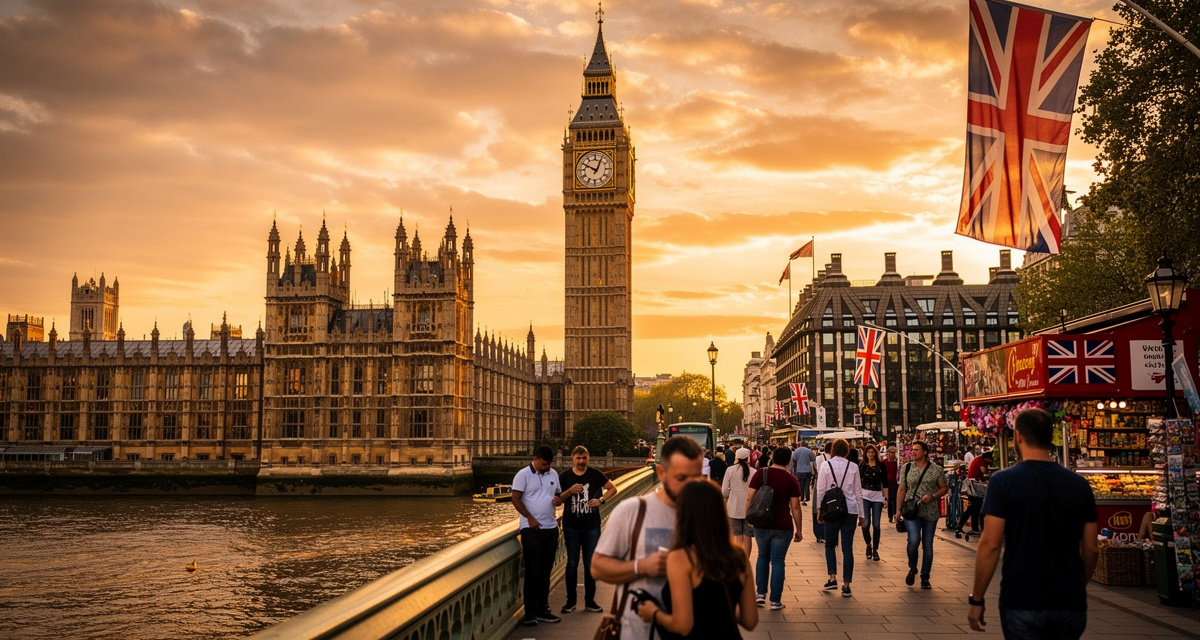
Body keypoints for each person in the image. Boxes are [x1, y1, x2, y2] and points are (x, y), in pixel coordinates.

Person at [968, 408, 1099, 639]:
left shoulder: (1003, 482)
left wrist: (977, 599)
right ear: (1051, 437)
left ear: (1017, 435)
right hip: (1069, 600)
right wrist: (1078, 584)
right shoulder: (1079, 485)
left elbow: (990, 544)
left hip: (1022, 597)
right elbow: (1090, 548)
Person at [592, 436, 705, 640]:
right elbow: (597, 567)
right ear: (661, 473)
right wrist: (641, 567)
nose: (690, 487)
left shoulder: (706, 515)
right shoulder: (632, 511)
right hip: (637, 631)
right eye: (681, 479)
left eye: (696, 478)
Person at [635, 480, 759, 639]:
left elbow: (682, 626)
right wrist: (719, 606)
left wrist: (653, 613)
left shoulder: (681, 557)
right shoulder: (739, 556)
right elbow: (750, 621)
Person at [558, 445, 618, 614]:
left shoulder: (594, 474)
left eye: (584, 458)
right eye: (578, 458)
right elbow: (558, 500)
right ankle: (570, 602)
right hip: (571, 526)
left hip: (591, 526)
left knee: (590, 563)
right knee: (571, 564)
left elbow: (612, 488)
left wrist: (601, 500)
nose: (581, 461)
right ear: (572, 458)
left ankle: (590, 601)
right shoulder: (565, 476)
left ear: (588, 458)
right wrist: (569, 491)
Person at [745, 446, 803, 609]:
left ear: (773, 457)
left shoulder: (760, 474)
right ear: (789, 460)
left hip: (762, 524)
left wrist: (749, 518)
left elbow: (750, 497)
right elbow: (796, 507)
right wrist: (799, 529)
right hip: (783, 526)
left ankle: (760, 594)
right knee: (778, 561)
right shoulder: (791, 479)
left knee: (762, 556)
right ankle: (775, 601)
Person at [511, 445, 562, 626]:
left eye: (549, 464)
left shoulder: (553, 474)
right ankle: (530, 613)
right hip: (531, 530)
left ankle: (543, 609)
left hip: (550, 528)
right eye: (544, 464)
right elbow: (515, 498)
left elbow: (558, 496)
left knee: (545, 572)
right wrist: (529, 518)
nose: (546, 467)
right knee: (533, 572)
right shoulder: (523, 475)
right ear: (536, 458)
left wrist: (559, 499)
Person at [896, 440, 949, 590]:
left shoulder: (936, 470)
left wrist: (932, 495)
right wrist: (898, 510)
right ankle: (912, 568)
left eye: (916, 450)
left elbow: (944, 488)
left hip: (930, 511)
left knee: (928, 546)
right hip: (911, 511)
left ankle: (925, 576)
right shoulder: (906, 468)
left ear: (925, 452)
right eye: (912, 450)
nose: (913, 452)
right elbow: (901, 489)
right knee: (913, 540)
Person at [815, 438, 864, 597]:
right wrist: (862, 514)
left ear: (833, 450)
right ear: (847, 451)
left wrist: (818, 509)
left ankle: (832, 578)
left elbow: (821, 490)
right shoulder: (854, 466)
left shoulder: (825, 465)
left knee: (830, 545)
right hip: (850, 510)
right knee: (847, 548)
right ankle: (847, 584)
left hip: (831, 509)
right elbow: (858, 492)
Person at [722, 447, 754, 557]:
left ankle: (738, 559)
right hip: (749, 509)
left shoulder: (730, 470)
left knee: (737, 536)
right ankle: (746, 559)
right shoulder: (754, 472)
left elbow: (724, 491)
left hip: (733, 508)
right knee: (747, 536)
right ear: (748, 458)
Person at [859, 444, 887, 562]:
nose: (871, 454)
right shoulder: (862, 466)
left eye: (872, 452)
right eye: (868, 452)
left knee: (876, 524)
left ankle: (875, 549)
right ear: (865, 454)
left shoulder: (881, 466)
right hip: (864, 495)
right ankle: (868, 545)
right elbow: (858, 481)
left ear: (876, 453)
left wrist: (886, 498)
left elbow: (884, 483)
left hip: (877, 496)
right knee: (865, 524)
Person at [957, 451, 992, 540]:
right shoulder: (981, 461)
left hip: (973, 487)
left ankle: (974, 528)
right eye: (990, 459)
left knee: (975, 508)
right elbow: (984, 472)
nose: (991, 461)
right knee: (974, 507)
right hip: (974, 487)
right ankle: (962, 525)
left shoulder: (978, 459)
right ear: (987, 458)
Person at [812, 442, 832, 542]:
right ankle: (826, 533)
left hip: (819, 484)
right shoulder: (834, 459)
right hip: (831, 487)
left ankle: (818, 534)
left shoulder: (819, 458)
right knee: (829, 508)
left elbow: (813, 470)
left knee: (817, 508)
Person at [883, 449, 899, 522]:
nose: (891, 454)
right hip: (887, 482)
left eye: (893, 453)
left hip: (895, 482)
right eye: (890, 453)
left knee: (895, 499)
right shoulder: (884, 462)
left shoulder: (896, 463)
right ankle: (890, 516)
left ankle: (895, 513)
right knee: (889, 499)